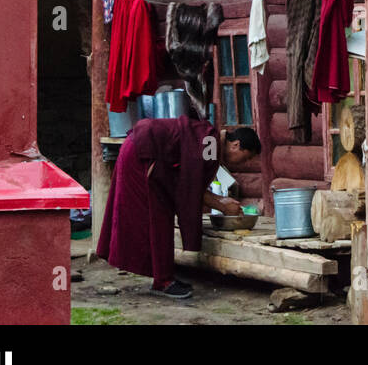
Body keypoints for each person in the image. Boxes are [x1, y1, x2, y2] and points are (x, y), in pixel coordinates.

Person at [96, 117, 262, 299]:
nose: (241, 164)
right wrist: (222, 207)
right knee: (158, 219)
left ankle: (163, 278)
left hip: (142, 149)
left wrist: (221, 201)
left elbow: (191, 180)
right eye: (245, 158)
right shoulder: (211, 144)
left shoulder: (211, 143)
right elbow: (190, 185)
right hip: (142, 154)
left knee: (158, 217)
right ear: (236, 145)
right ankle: (163, 282)